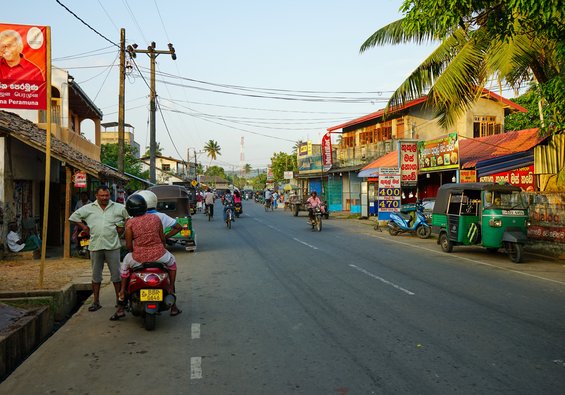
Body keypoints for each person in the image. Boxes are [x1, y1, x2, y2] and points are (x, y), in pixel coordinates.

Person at [111, 194, 181, 320]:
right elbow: (162, 239)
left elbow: (128, 246)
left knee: (125, 268)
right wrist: (160, 247)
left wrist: (135, 250)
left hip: (138, 258)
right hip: (160, 255)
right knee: (172, 263)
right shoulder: (155, 218)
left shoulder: (130, 223)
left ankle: (122, 292)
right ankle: (170, 287)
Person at [69, 185, 129, 313]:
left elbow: (129, 219)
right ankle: (96, 302)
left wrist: (122, 226)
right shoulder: (88, 208)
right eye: (101, 195)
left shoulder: (119, 207)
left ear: (109, 195)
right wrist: (84, 227)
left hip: (112, 246)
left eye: (106, 195)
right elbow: (73, 217)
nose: (104, 198)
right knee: (96, 276)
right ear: (96, 196)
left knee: (116, 276)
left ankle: (120, 302)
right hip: (95, 246)